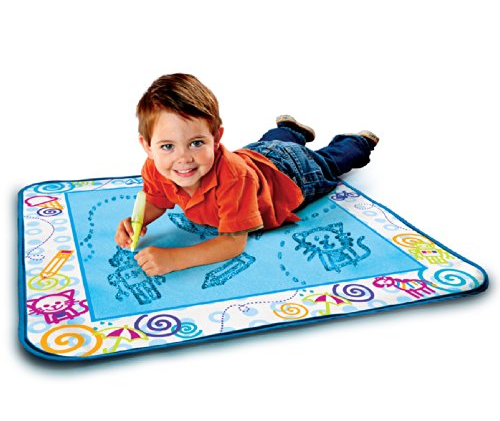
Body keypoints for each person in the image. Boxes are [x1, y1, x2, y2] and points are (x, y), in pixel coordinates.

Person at [115, 73, 379, 276]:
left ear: (216, 138)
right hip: (256, 155)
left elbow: (232, 243)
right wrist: (137, 221)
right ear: (147, 147)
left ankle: (358, 143)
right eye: (167, 146)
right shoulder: (155, 167)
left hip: (293, 173)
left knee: (328, 163)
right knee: (269, 145)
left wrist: (174, 259)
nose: (183, 158)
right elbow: (157, 200)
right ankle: (290, 130)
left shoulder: (233, 180)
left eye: (196, 143)